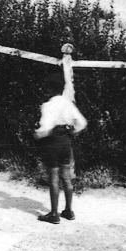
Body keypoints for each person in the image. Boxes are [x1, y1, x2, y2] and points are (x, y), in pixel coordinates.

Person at [34, 76, 89, 224]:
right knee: (66, 175)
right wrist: (73, 132)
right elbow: (82, 123)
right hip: (66, 141)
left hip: (53, 142)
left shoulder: (48, 105)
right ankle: (69, 211)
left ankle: (53, 214)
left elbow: (46, 127)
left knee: (53, 177)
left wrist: (37, 135)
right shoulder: (68, 104)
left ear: (49, 89)